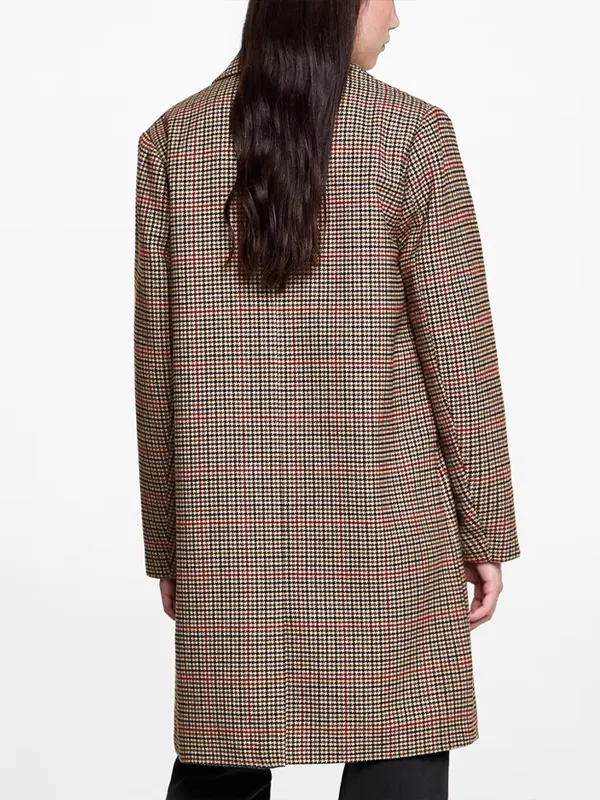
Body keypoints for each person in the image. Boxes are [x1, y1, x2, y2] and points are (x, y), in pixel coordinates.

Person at [133, 0, 521, 798]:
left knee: (224, 751)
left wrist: (171, 542)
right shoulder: (411, 134)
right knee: (401, 734)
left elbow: (156, 367)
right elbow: (462, 354)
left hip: (227, 529)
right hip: (390, 522)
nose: (397, 18)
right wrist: (485, 527)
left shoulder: (175, 139)